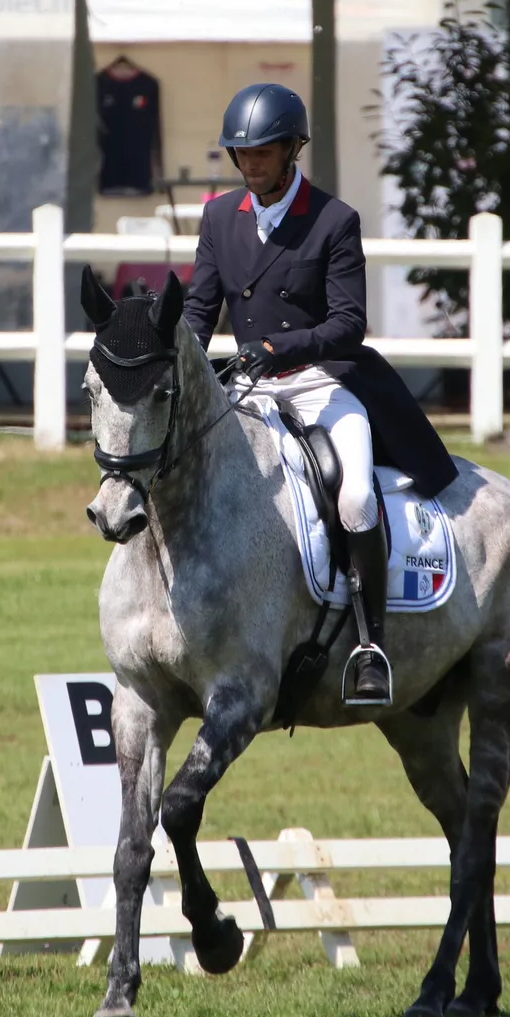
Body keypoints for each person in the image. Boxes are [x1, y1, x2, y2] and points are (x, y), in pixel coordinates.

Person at [182, 83, 458, 706]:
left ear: (293, 149)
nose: (251, 164)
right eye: (242, 154)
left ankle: (371, 646)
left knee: (356, 496)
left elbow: (346, 324)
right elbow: (199, 311)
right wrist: (183, 369)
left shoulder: (334, 221)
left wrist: (283, 348)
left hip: (321, 382)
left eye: (264, 152)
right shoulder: (219, 218)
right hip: (248, 390)